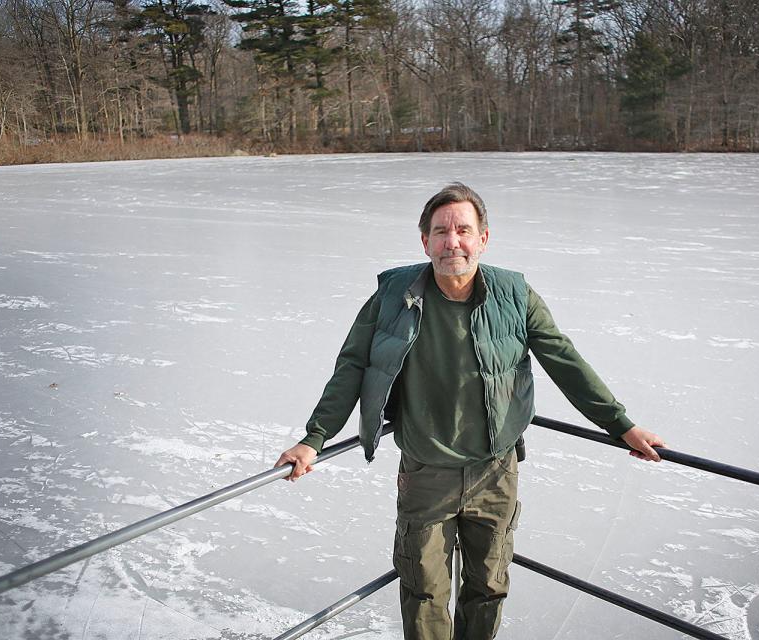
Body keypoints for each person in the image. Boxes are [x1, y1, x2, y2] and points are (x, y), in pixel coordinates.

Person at [276, 183, 666, 640]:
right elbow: (353, 366)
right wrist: (315, 438)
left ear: (483, 238)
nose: (452, 242)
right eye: (440, 232)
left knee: (488, 588)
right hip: (426, 472)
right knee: (423, 592)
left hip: (495, 472)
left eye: (463, 229)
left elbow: (565, 360)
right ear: (425, 242)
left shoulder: (514, 295)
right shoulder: (392, 296)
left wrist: (620, 424)